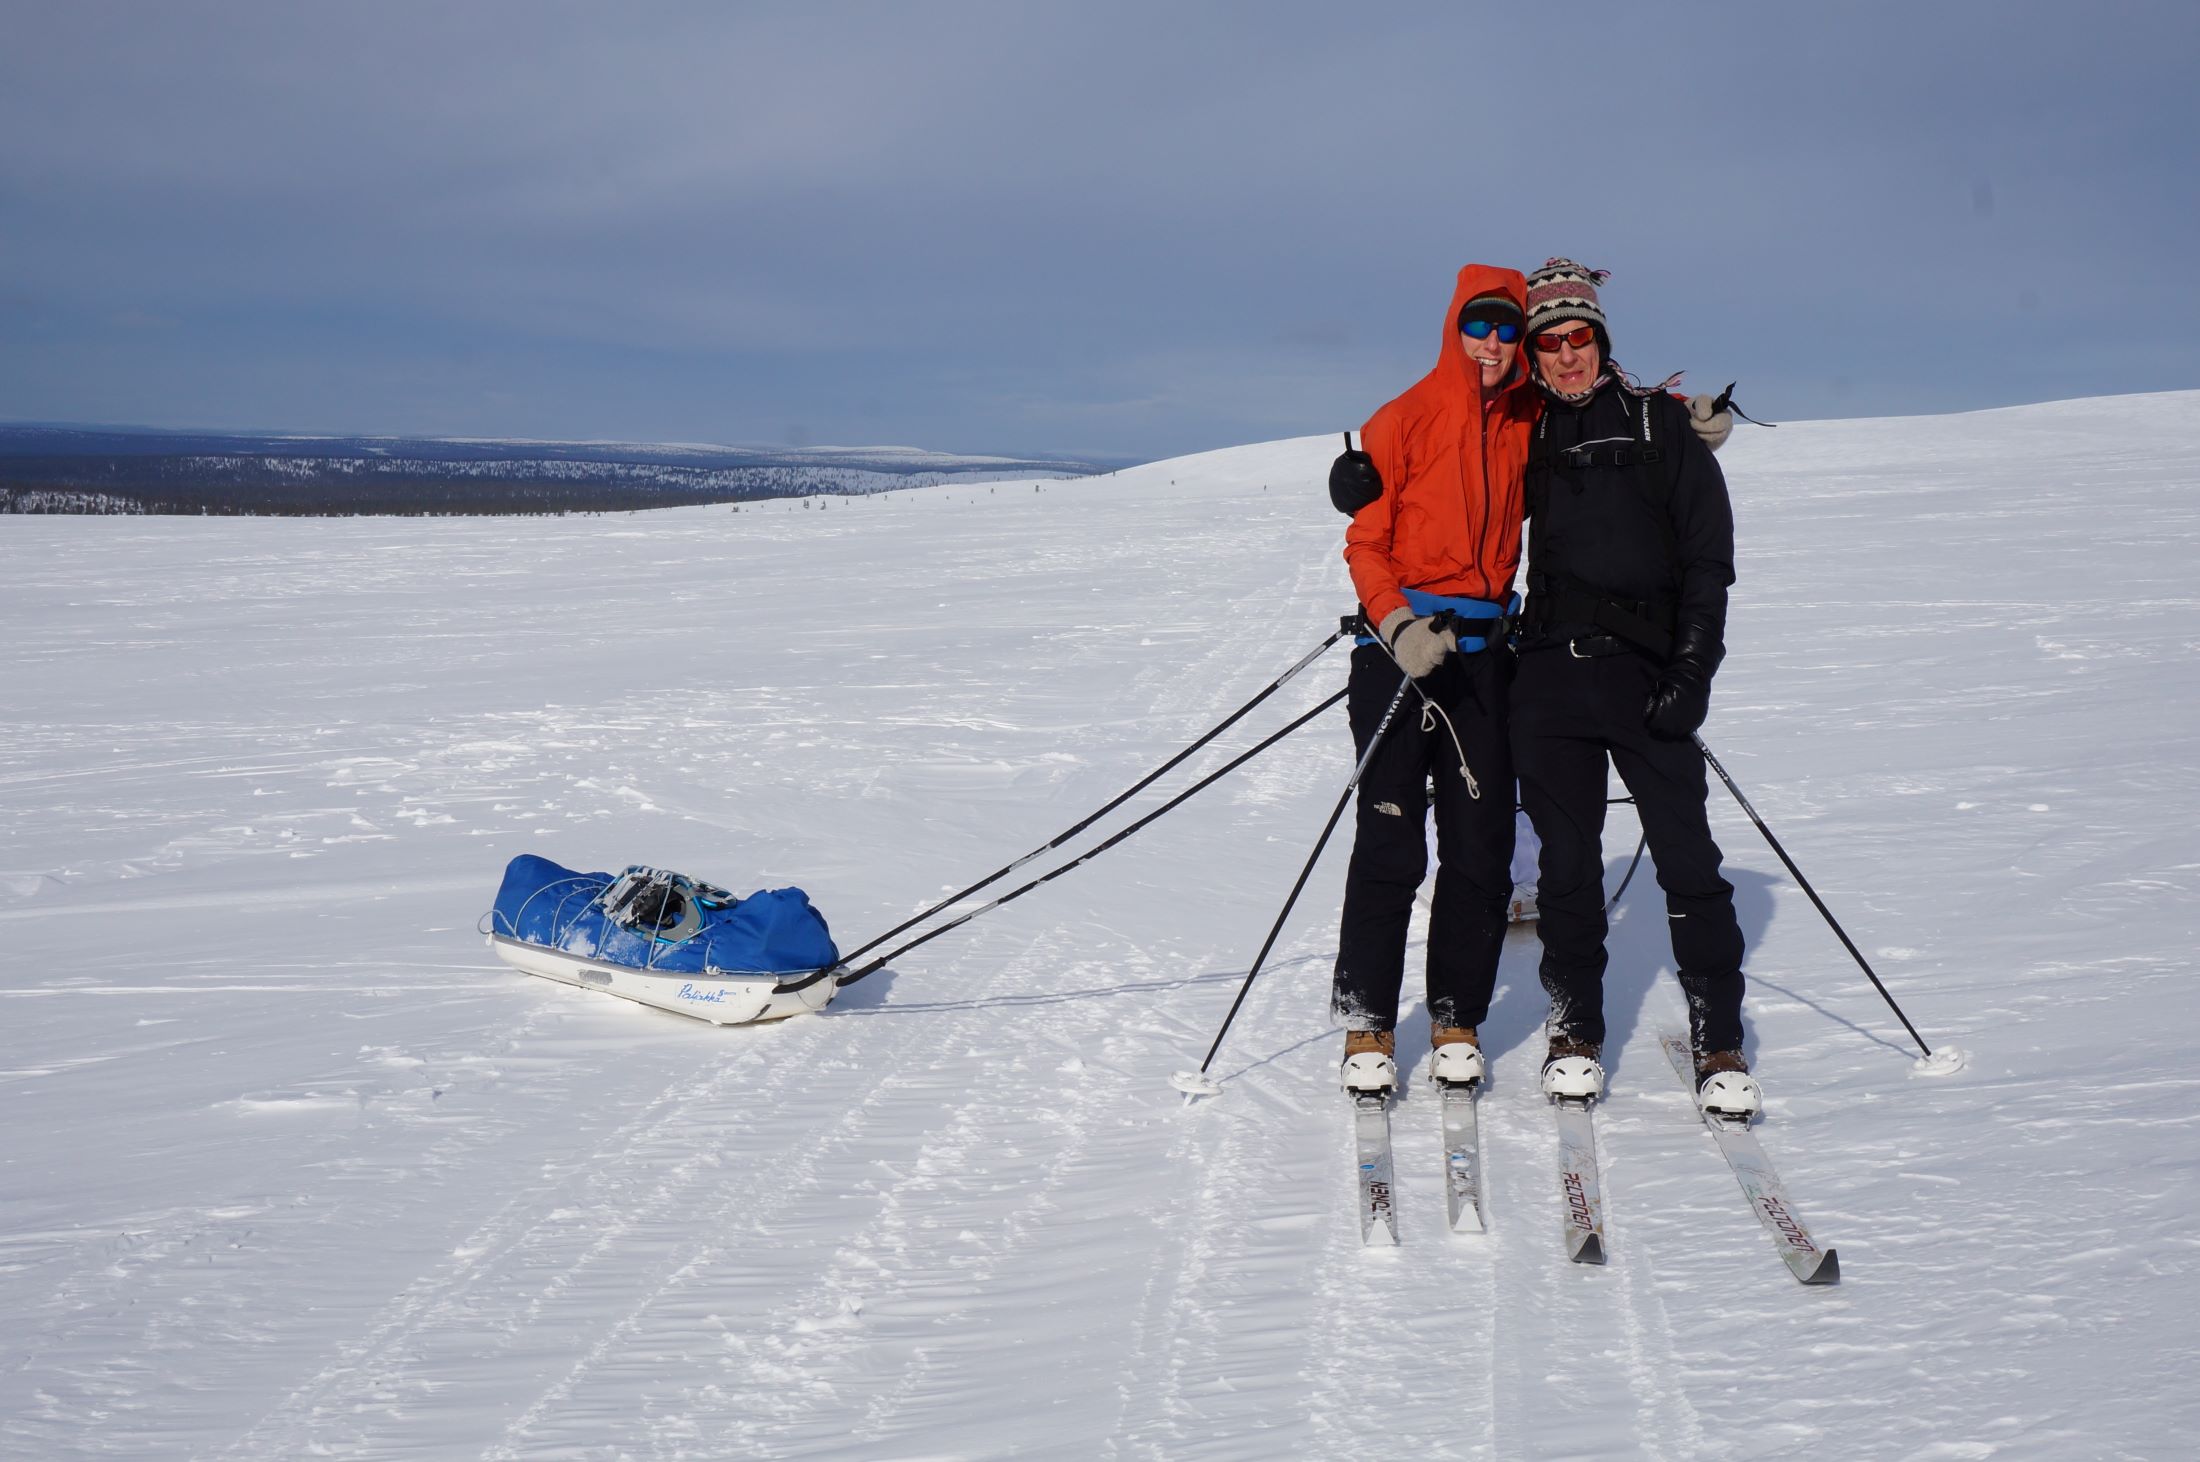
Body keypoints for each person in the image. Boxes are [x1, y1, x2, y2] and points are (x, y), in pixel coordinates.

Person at [1508, 258, 1762, 1118]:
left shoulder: (1662, 428)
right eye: (1551, 343)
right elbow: (1445, 474)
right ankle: (1575, 1029)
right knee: (1569, 870)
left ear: (1600, 341)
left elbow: (1708, 563)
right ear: (1534, 355)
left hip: (1649, 679)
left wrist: (1693, 672)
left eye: (1580, 338)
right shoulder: (1523, 433)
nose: (1568, 355)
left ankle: (1718, 1036)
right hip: (1547, 680)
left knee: (1688, 859)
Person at [1328, 263, 1539, 1095]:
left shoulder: (1527, 421)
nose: (1491, 343)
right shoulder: (1402, 420)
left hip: (1486, 661)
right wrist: (1397, 625)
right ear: (1455, 326)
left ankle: (1457, 1016)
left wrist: (1679, 425)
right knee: (1388, 843)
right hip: (1399, 657)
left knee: (1481, 848)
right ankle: (1367, 1020)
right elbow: (1365, 543)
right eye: (1478, 326)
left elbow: (1595, 392)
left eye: (1506, 329)